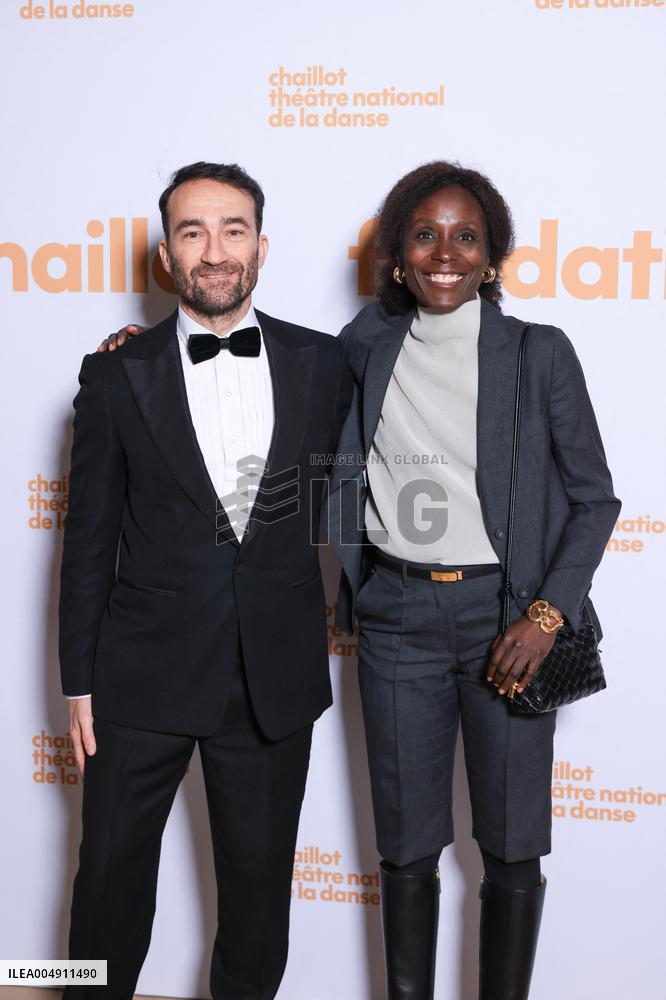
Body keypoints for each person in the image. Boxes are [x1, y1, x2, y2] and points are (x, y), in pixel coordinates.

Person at [326, 161, 620, 999]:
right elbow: (269, 366)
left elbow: (596, 499)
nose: (444, 252)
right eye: (425, 235)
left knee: (512, 842)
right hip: (395, 617)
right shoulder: (363, 346)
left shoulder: (538, 353)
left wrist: (546, 614)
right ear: (397, 254)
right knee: (407, 845)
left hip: (509, 619)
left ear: (492, 256)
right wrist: (146, 350)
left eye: (466, 236)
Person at [59, 161, 351, 999]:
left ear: (262, 246)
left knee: (259, 908)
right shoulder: (116, 373)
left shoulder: (325, 363)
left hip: (272, 678)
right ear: (165, 256)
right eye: (192, 232)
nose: (214, 250)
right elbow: (85, 542)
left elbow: (367, 486)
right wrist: (77, 677)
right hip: (137, 676)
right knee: (106, 893)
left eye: (232, 230)